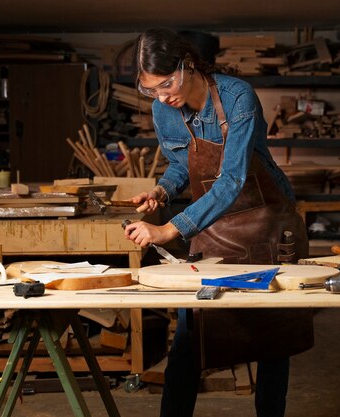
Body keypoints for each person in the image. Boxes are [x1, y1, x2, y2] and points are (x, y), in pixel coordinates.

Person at [124, 28, 312, 417]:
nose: (163, 97)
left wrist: (170, 228)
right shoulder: (164, 109)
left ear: (187, 65)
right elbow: (180, 163)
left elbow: (232, 180)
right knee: (191, 337)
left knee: (273, 339)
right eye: (151, 91)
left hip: (268, 223)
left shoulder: (236, 96)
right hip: (214, 224)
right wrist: (160, 192)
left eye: (167, 84)